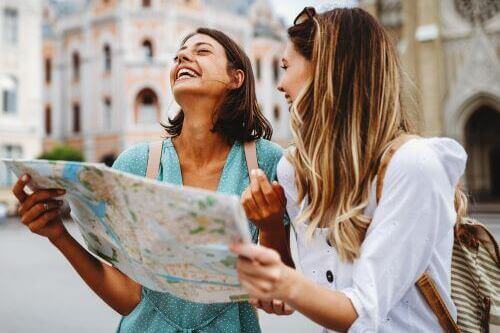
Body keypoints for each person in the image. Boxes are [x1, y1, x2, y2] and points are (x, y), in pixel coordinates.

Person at [12, 28, 291, 333]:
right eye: (179, 54)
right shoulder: (136, 164)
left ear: (236, 78)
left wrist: (272, 226)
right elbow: (130, 297)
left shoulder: (266, 162)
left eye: (201, 51)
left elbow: (282, 292)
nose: (183, 56)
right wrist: (58, 235)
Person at [231, 7, 468, 332]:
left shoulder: (413, 165)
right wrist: (271, 228)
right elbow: (284, 300)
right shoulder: (293, 170)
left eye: (286, 66)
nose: (280, 83)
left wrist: (280, 279)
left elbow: (363, 313)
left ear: (329, 70)